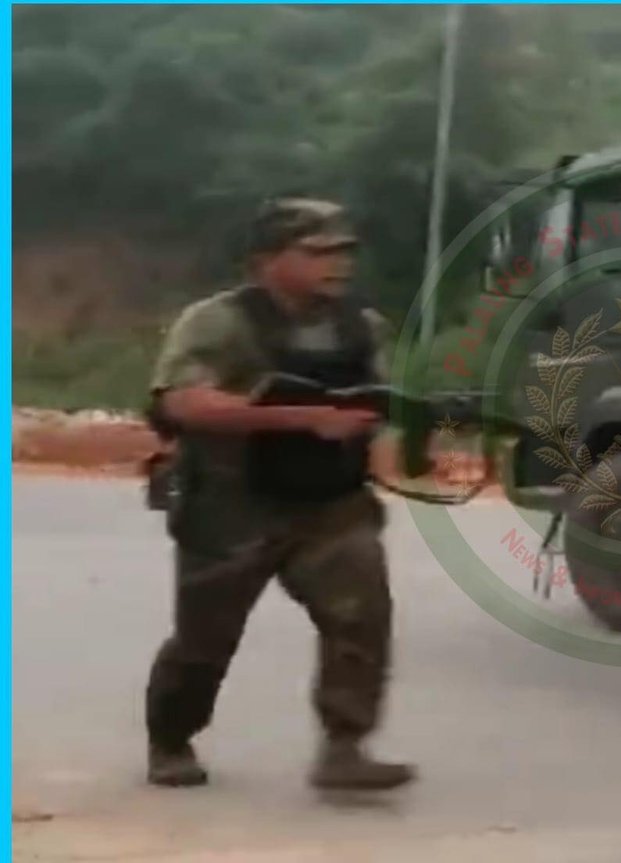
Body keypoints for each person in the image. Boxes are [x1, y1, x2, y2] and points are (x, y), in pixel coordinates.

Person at [143, 198, 415, 791]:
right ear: (266, 260)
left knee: (361, 619)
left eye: (343, 251)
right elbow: (184, 403)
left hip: (330, 503)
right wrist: (304, 419)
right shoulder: (218, 322)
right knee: (205, 639)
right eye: (317, 251)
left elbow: (377, 401)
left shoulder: (360, 327)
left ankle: (345, 747)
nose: (337, 263)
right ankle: (171, 738)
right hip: (231, 504)